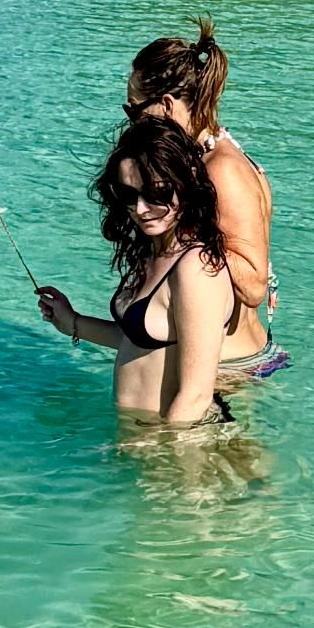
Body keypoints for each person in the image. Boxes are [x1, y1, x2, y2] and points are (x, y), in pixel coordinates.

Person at [35, 120, 238, 429]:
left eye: (156, 193)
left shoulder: (196, 268)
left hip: (181, 437)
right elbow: (141, 343)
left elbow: (196, 395)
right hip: (145, 434)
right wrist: (73, 322)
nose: (141, 209)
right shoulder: (154, 251)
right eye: (128, 194)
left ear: (185, 182)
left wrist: (161, 449)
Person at [123, 17, 284, 379]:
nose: (131, 121)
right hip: (222, 363)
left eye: (133, 109)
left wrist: (184, 224)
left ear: (166, 105)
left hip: (232, 369)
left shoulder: (222, 170)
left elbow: (254, 286)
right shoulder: (201, 159)